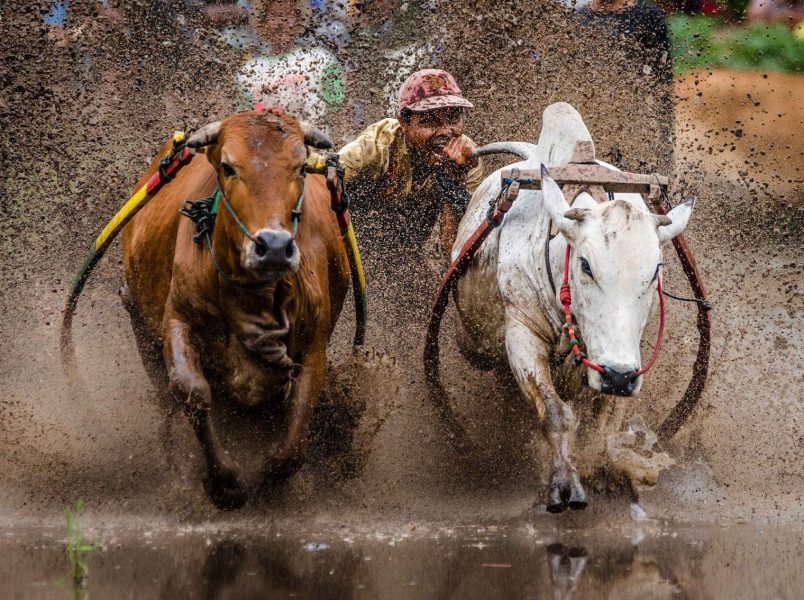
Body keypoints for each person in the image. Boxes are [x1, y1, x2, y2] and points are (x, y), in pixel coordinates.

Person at [335, 69, 485, 260]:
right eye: (430, 121)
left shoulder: (468, 159)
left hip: (408, 256)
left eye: (453, 118)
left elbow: (454, 257)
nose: (446, 132)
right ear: (404, 123)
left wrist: (455, 180)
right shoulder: (375, 147)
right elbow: (324, 183)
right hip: (350, 249)